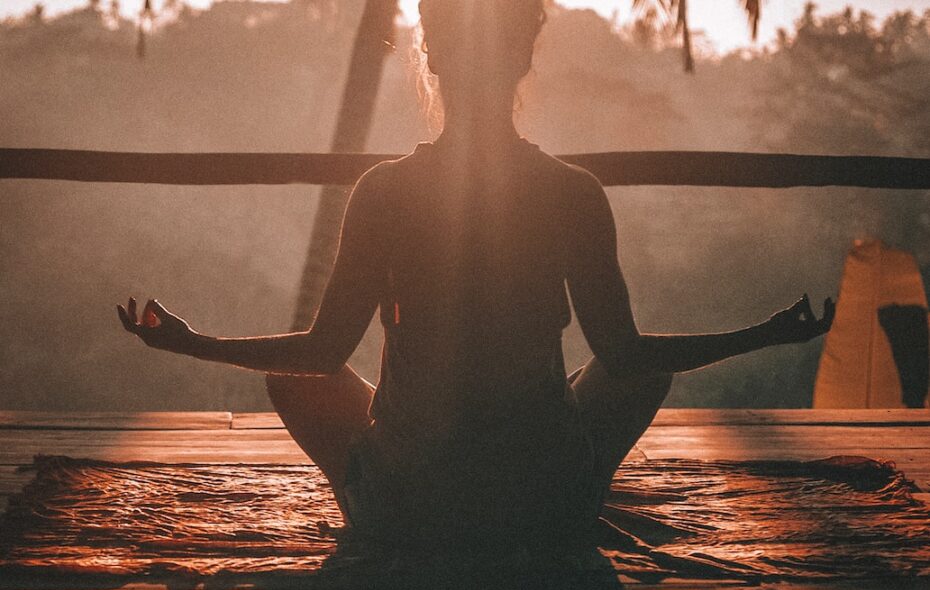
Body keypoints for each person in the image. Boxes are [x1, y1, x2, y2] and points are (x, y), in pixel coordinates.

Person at [118, 0, 834, 551]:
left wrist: (192, 342)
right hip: (541, 503)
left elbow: (320, 354)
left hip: (410, 508)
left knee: (293, 378)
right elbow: (626, 355)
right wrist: (765, 334)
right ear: (524, 57)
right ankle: (575, 496)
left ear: (432, 58)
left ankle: (377, 506)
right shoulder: (572, 192)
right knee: (641, 370)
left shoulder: (385, 191)